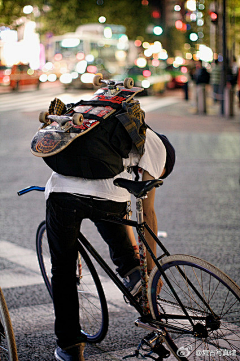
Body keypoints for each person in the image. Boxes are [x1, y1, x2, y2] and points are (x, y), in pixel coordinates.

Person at [44, 102, 167, 360]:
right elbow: (148, 212)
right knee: (113, 215)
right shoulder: (158, 149)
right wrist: (150, 272)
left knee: (63, 270)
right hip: (108, 198)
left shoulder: (116, 121)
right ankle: (134, 274)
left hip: (63, 194)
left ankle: (69, 346)